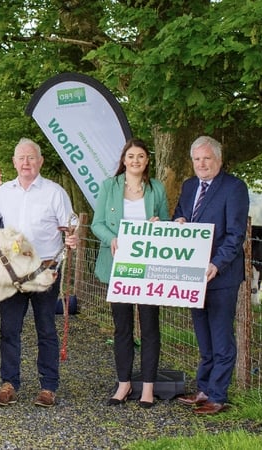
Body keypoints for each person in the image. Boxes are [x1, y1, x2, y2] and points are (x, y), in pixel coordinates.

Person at [0, 137, 78, 408]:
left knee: (45, 329)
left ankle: (48, 387)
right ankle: (9, 384)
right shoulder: (4, 192)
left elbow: (72, 225)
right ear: (14, 162)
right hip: (13, 274)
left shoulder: (55, 193)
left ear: (40, 161)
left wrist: (73, 237)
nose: (26, 162)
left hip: (45, 271)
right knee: (9, 329)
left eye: (31, 157)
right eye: (21, 158)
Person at [91, 138, 170, 408]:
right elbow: (96, 223)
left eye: (141, 156)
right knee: (122, 327)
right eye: (131, 156)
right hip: (118, 267)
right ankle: (123, 383)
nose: (136, 160)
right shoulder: (108, 187)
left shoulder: (156, 188)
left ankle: (148, 387)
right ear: (124, 160)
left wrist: (161, 225)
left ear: (147, 160)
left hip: (148, 268)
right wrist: (112, 238)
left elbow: (167, 224)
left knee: (150, 326)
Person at [173, 136, 248, 415]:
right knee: (203, 336)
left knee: (220, 336)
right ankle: (204, 388)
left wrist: (216, 264)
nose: (202, 164)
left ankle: (218, 395)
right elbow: (180, 215)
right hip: (193, 273)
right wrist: (177, 221)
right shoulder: (189, 186)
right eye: (197, 159)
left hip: (220, 275)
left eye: (207, 158)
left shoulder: (234, 188)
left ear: (218, 159)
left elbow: (235, 234)